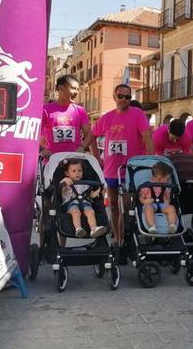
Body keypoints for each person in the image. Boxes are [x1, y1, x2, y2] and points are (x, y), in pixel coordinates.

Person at [90, 84, 154, 247]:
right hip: (111, 169)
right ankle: (118, 241)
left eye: (128, 97)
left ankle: (127, 236)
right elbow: (91, 136)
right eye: (121, 96)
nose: (124, 100)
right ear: (114, 96)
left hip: (131, 169)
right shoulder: (107, 117)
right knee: (113, 206)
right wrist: (97, 158)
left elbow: (147, 137)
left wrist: (151, 159)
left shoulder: (137, 114)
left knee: (125, 205)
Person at [40, 75, 93, 159]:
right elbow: (33, 134)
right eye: (73, 88)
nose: (76, 92)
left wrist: (82, 147)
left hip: (74, 162)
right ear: (60, 88)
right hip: (52, 160)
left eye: (77, 89)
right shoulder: (45, 110)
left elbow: (89, 134)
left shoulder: (80, 110)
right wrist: (42, 149)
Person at [59, 159, 108, 239]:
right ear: (67, 173)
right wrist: (64, 180)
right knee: (76, 212)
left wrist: (98, 191)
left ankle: (94, 228)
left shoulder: (86, 184)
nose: (77, 173)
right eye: (74, 171)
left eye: (79, 170)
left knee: (91, 212)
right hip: (71, 204)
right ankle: (78, 229)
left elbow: (91, 195)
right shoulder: (66, 183)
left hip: (85, 203)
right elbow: (60, 187)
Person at [139, 161, 178, 234]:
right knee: (148, 209)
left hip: (162, 205)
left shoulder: (166, 187)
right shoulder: (147, 186)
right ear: (160, 178)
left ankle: (172, 225)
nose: (169, 181)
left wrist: (167, 202)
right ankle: (152, 226)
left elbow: (167, 197)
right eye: (167, 179)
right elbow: (141, 198)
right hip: (151, 204)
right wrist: (145, 201)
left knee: (172, 208)